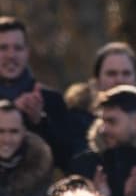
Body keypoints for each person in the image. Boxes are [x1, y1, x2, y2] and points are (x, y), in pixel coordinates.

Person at [0, 16, 85, 170]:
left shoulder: (51, 100)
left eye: (17, 48)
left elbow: (67, 159)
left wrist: (40, 122)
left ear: (27, 52)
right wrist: (12, 114)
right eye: (3, 48)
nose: (11, 55)